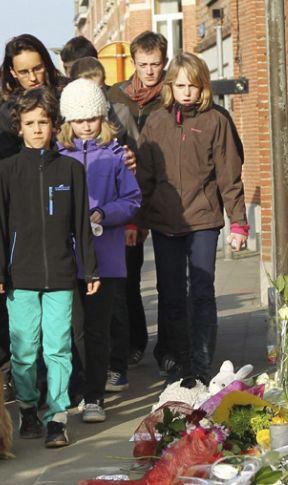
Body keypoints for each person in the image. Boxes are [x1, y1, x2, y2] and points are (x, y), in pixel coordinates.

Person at [0, 87, 99, 448]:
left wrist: (90, 268)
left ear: (54, 125)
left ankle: (57, 417)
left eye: (43, 122)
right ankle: (28, 409)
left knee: (58, 348)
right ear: (18, 127)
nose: (36, 129)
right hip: (20, 276)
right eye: (29, 123)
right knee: (23, 350)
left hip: (62, 276)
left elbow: (81, 223)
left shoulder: (71, 169)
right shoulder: (5, 171)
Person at [136, 52, 249, 385]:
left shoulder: (216, 120)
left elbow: (230, 175)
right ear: (171, 86)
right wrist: (136, 221)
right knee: (170, 293)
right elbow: (144, 177)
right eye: (180, 85)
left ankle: (200, 363)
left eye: (193, 86)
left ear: (204, 87)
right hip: (164, 222)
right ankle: (178, 360)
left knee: (201, 291)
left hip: (203, 220)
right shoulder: (156, 121)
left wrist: (239, 222)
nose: (187, 92)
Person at [56, 79, 141, 423]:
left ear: (103, 117)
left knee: (98, 328)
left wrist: (104, 213)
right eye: (78, 120)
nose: (86, 126)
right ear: (67, 123)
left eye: (92, 118)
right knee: (72, 328)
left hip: (105, 257)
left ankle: (95, 397)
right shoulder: (58, 157)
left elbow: (132, 200)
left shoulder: (117, 155)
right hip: (68, 258)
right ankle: (77, 388)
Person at [106, 30, 170, 381]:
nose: (149, 72)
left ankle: (170, 347)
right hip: (127, 192)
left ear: (164, 61)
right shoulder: (116, 97)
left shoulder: (174, 94)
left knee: (171, 278)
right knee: (129, 273)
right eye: (143, 65)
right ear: (133, 62)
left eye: (156, 65)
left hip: (164, 192)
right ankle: (134, 340)